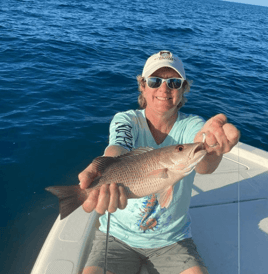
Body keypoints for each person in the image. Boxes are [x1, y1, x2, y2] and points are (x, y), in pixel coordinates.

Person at [79, 50, 240, 274]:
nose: (164, 89)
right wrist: (105, 163)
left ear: (183, 89)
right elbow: (118, 146)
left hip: (172, 240)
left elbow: (203, 159)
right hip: (116, 236)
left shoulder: (193, 125)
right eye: (155, 81)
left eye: (174, 83)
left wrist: (213, 148)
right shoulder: (127, 120)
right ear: (143, 86)